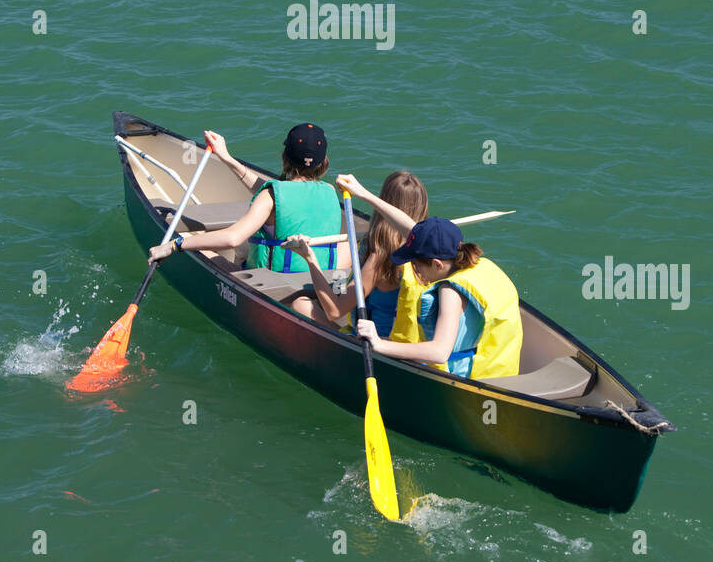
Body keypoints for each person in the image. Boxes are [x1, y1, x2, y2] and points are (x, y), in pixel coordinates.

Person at [148, 124, 350, 275]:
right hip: (317, 279)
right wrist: (226, 158)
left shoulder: (270, 196)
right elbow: (282, 196)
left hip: (276, 282)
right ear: (323, 162)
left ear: (284, 157)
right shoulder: (330, 191)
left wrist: (176, 244)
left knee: (203, 249)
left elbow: (232, 237)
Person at [350, 210, 523, 382]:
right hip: (502, 376)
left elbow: (439, 353)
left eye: (416, 266)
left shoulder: (450, 292)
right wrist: (365, 194)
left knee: (380, 342)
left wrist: (379, 344)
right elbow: (413, 231)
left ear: (437, 264)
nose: (415, 271)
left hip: (464, 381)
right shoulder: (483, 266)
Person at [286, 170, 429, 333]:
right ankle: (340, 290)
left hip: (377, 342)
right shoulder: (429, 250)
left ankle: (337, 299)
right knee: (343, 263)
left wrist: (310, 258)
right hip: (412, 338)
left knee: (301, 304)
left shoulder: (379, 258)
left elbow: (334, 312)